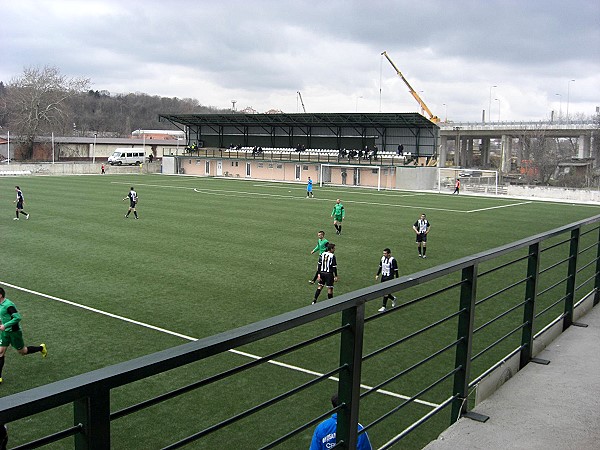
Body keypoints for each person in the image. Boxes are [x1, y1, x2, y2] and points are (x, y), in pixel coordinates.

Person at [0, 287, 47, 384]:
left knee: (22, 352)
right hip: (4, 333)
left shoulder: (8, 305)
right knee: (0, 352)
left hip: (14, 333)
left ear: (0, 295)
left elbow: (17, 318)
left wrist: (5, 325)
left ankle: (41, 348)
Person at [376, 248, 399, 312]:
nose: (384, 254)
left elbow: (396, 271)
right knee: (383, 291)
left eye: (385, 253)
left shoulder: (393, 260)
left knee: (385, 292)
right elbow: (380, 266)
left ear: (389, 254)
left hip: (389, 277)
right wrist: (377, 274)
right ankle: (393, 298)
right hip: (383, 276)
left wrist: (397, 279)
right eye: (383, 253)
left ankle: (384, 306)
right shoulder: (382, 258)